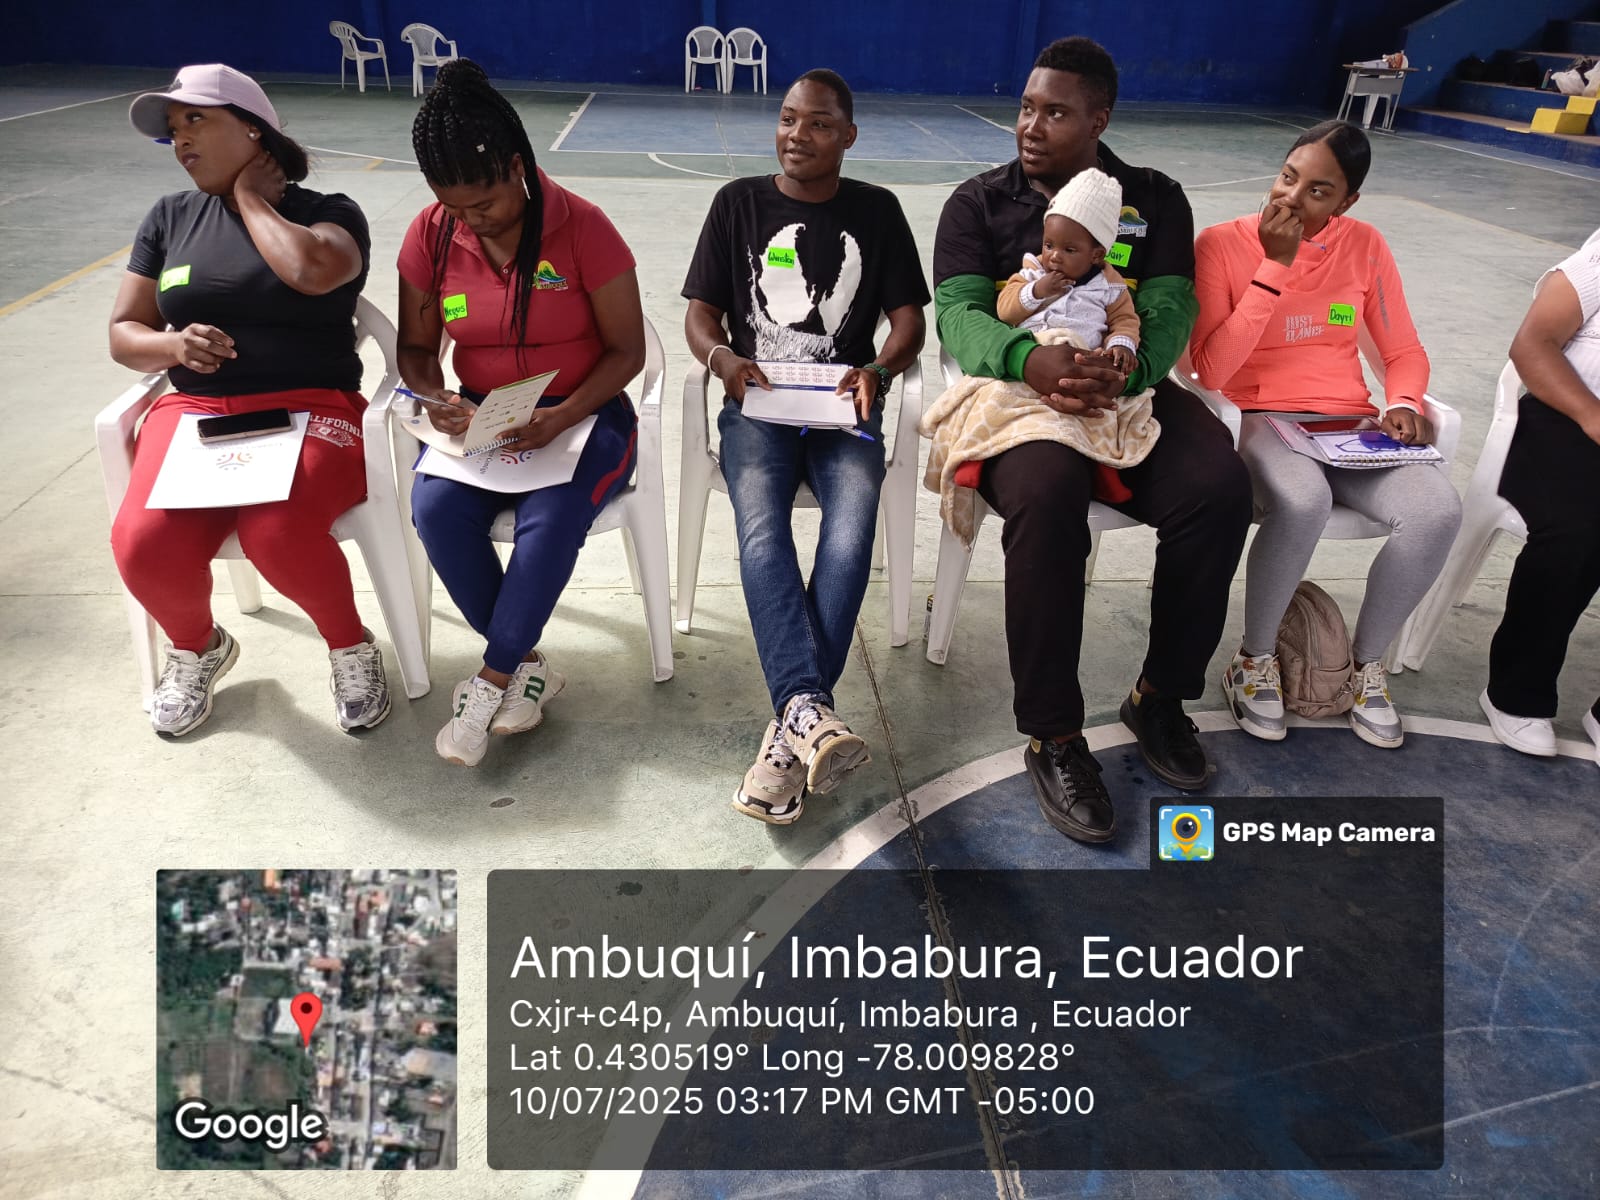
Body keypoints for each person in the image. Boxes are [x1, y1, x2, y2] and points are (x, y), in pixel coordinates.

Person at [933, 37, 1252, 845]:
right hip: (1016, 391)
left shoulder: (1155, 199)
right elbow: (958, 316)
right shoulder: (978, 203)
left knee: (1219, 489)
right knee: (1046, 496)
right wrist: (1029, 359)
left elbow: (1169, 309)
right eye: (1026, 107)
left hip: (1124, 385)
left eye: (1055, 112)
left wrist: (1128, 367)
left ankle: (1160, 696)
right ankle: (1055, 735)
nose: (1030, 126)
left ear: (1099, 119)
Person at [109, 63, 390, 737]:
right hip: (199, 415)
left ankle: (350, 645)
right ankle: (197, 648)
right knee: (142, 542)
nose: (180, 139)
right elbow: (124, 334)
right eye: (173, 130)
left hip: (313, 408)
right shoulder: (170, 217)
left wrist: (251, 200)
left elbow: (311, 270)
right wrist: (172, 346)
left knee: (278, 533)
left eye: (195, 120)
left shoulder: (328, 211)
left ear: (254, 131)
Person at [682, 69, 928, 825]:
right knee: (762, 529)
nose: (797, 135)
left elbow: (909, 322)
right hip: (757, 405)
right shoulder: (737, 204)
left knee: (850, 532)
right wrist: (724, 360)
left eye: (818, 123)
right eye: (788, 118)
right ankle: (808, 713)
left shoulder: (877, 211)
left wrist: (878, 370)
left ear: (848, 136)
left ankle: (792, 722)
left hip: (842, 405)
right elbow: (701, 315)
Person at [397, 60, 644, 768]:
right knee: (435, 509)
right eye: (452, 207)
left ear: (516, 168)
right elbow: (416, 349)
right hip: (482, 418)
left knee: (551, 519)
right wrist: (436, 397)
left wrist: (564, 416)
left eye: (482, 204)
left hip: (586, 416)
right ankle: (526, 665)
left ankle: (490, 681)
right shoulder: (432, 233)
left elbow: (627, 351)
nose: (468, 220)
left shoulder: (583, 227)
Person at [1191, 120, 1461, 750]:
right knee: (1303, 500)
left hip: (1347, 425)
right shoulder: (1222, 244)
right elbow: (1208, 369)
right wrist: (1273, 267)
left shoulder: (1364, 246)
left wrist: (1402, 401)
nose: (1292, 197)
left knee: (1437, 511)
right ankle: (1254, 659)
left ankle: (1363, 668)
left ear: (1347, 201)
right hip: (1262, 418)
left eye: (1318, 190)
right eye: (1288, 177)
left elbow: (1403, 349)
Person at [1480, 227, 1600, 767]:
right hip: (1564, 417)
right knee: (1579, 528)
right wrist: (1593, 416)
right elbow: (1532, 343)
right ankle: (1516, 692)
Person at [997, 166, 1139, 370]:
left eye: (1069, 250)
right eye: (1049, 245)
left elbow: (1124, 320)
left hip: (1081, 361)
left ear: (1096, 255)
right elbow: (1005, 312)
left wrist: (1121, 345)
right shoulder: (1032, 273)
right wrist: (1036, 291)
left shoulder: (1110, 287)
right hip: (1033, 359)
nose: (1054, 256)